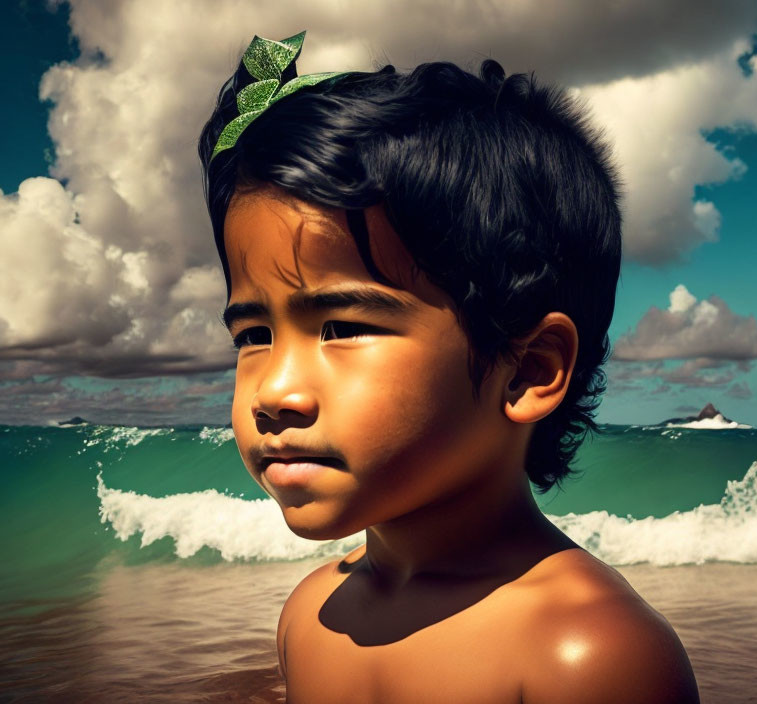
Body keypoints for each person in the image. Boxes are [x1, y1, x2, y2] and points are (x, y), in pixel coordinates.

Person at [198, 31, 699, 704]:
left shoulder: (588, 657)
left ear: (527, 370)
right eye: (254, 334)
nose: (276, 391)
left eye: (342, 327)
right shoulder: (311, 614)